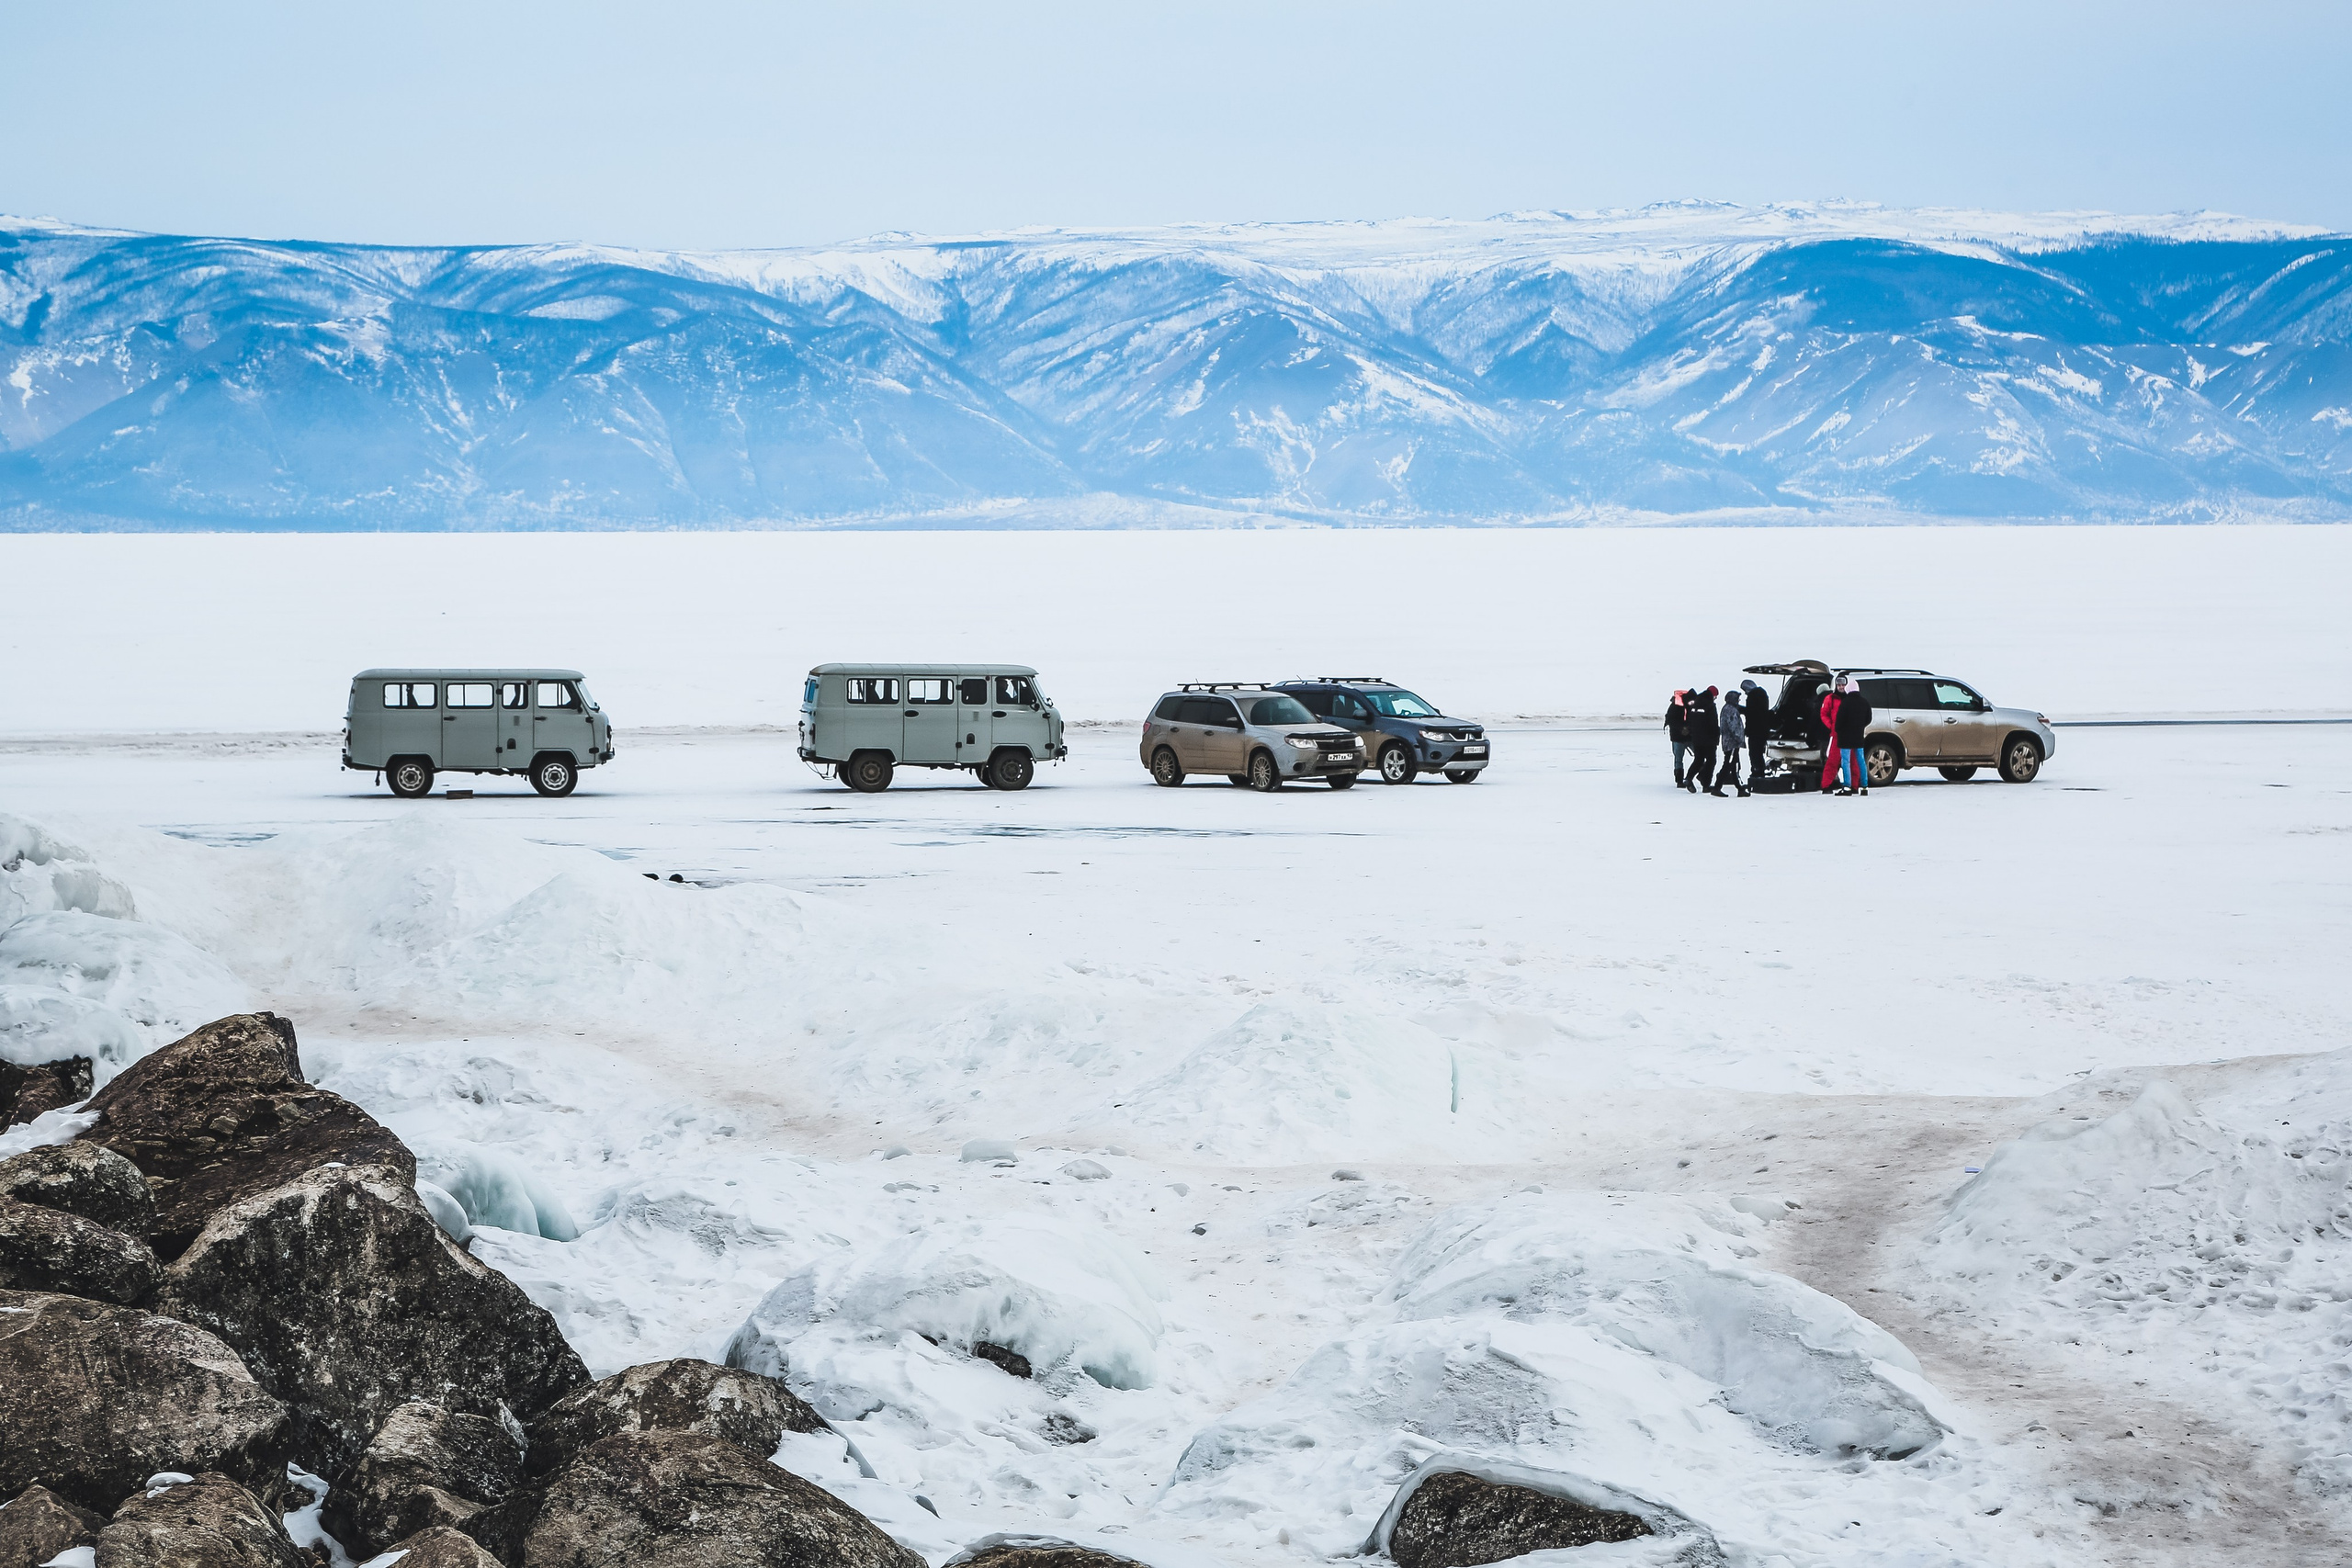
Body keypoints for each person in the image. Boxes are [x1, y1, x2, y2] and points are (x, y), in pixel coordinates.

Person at [1832, 674, 1873, 795]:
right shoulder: (1865, 702)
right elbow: (1869, 718)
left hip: (1845, 737)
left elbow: (1839, 721)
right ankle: (1864, 787)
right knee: (1861, 761)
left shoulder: (1845, 703)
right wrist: (1860, 726)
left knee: (1846, 762)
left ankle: (1847, 787)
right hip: (1859, 736)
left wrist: (1839, 730)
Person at [1684, 685, 1719, 795]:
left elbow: (1690, 720)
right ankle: (1706, 784)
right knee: (1711, 760)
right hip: (1708, 739)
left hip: (1696, 738)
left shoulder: (1695, 703)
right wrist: (1716, 737)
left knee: (1698, 759)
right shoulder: (1710, 705)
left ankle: (1689, 778)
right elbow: (1713, 723)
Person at [1713, 688, 1747, 796]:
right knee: (1728, 765)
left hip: (1729, 742)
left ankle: (1739, 788)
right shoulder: (1731, 710)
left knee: (1732, 765)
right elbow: (1733, 727)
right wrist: (1739, 739)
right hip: (1732, 743)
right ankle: (1717, 787)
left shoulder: (1726, 709)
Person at [1816, 678, 1844, 795]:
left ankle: (1851, 785)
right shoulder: (1831, 699)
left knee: (1851, 761)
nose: (1841, 687)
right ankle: (1828, 784)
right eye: (1839, 685)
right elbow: (1824, 714)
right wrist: (1832, 726)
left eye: (1843, 685)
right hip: (1835, 735)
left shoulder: (1847, 698)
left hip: (1845, 734)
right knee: (1833, 761)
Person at [1741, 679, 1769, 785]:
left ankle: (1756, 772)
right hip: (1762, 730)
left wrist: (1741, 709)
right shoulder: (1763, 695)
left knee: (1754, 753)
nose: (1745, 692)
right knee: (1759, 753)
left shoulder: (1753, 697)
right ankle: (1760, 771)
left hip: (1754, 731)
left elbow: (1751, 713)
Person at [1665, 689, 1690, 788]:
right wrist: (1684, 728)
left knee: (1678, 759)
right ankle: (1682, 780)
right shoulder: (1687, 706)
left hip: (1678, 736)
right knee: (1698, 757)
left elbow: (1670, 720)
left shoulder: (1674, 706)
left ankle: (1680, 781)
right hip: (1681, 737)